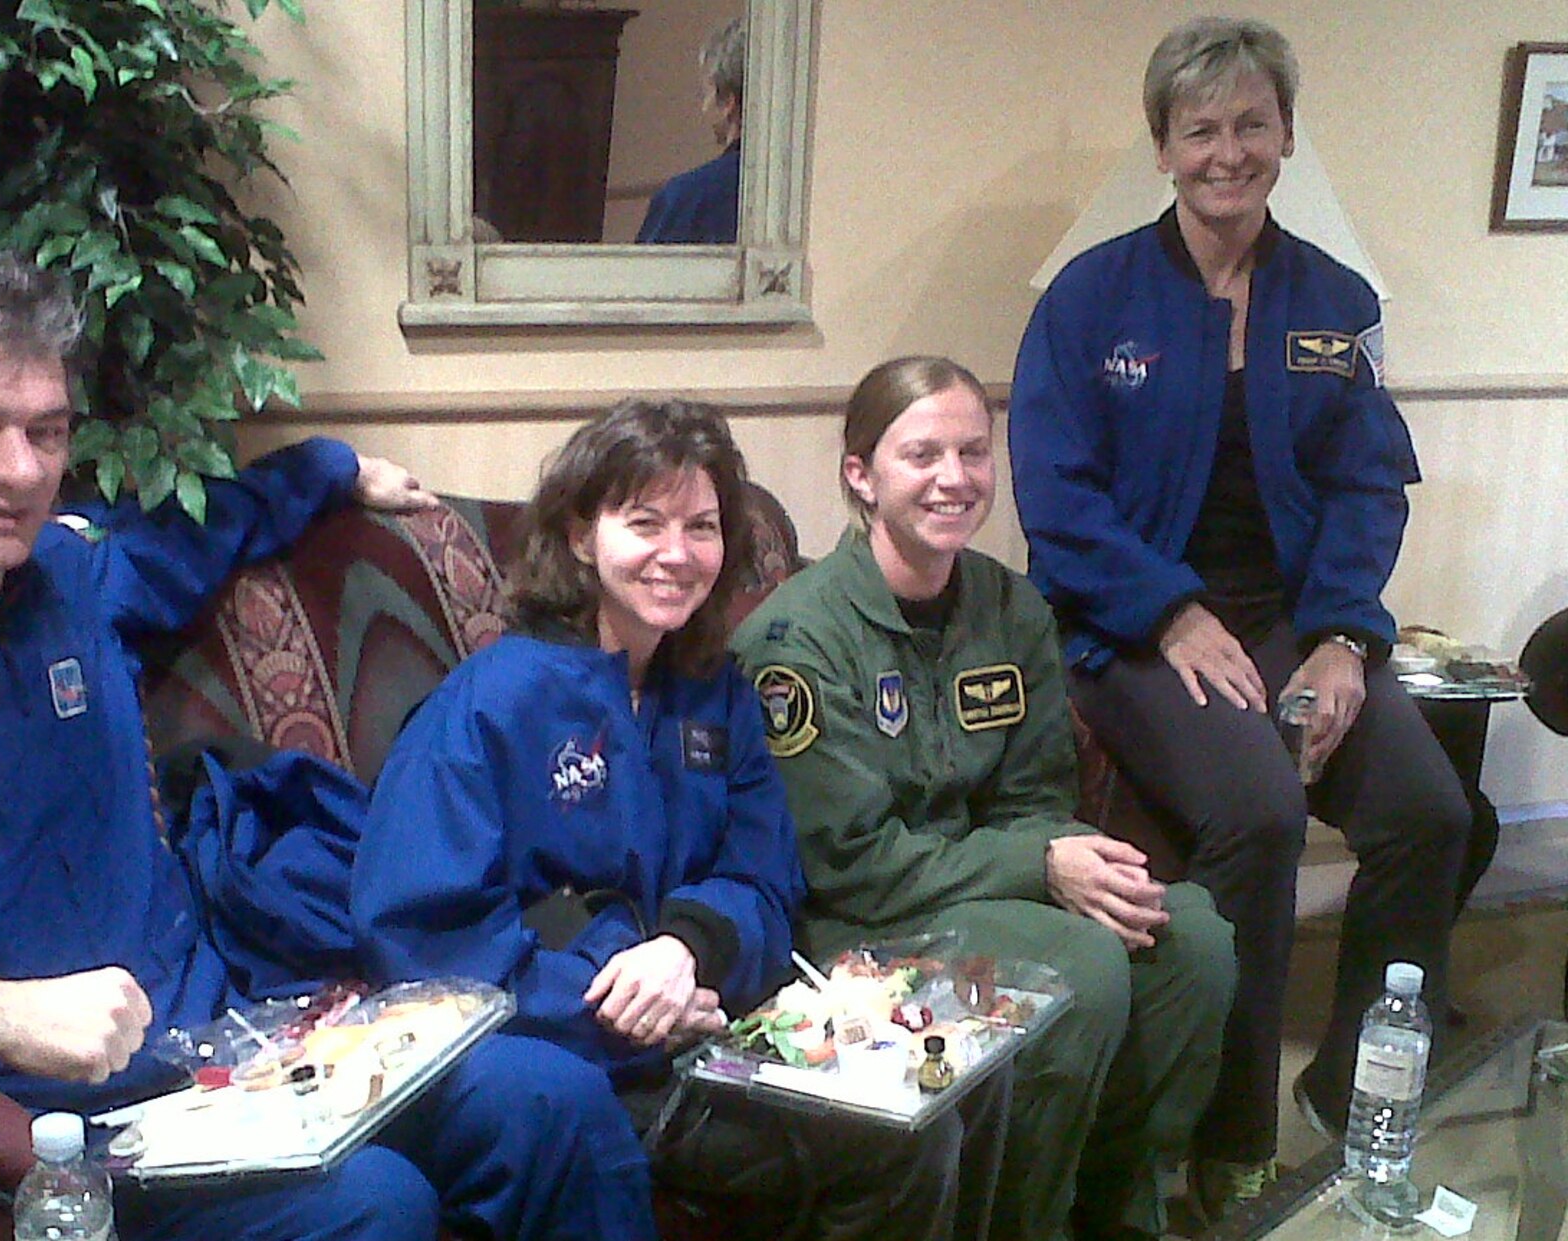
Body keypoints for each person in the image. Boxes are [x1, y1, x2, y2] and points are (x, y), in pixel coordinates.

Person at [0, 234, 630, 1241]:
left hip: (235, 1051)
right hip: (53, 1119)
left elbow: (189, 532)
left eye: (47, 431)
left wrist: (326, 466)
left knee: (553, 1097)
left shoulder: (71, 575)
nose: (21, 469)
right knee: (371, 1203)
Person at [1005, 15, 1471, 1221]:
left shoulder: (1335, 297)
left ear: (1284, 135)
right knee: (1260, 811)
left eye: (1249, 124)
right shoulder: (1086, 296)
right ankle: (1231, 1128)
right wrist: (1167, 617)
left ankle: (1347, 1085)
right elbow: (1054, 504)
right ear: (1160, 146)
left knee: (1427, 809)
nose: (1226, 151)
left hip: (1295, 622)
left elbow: (1368, 485)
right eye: (1198, 128)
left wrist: (1342, 640)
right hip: (1131, 630)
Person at [354, 398, 1010, 1241]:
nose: (677, 553)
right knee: (888, 1147)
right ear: (584, 537)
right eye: (645, 522)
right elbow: (424, 938)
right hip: (572, 1047)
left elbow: (766, 876)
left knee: (935, 1102)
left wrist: (689, 949)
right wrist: (628, 998)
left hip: (716, 1022)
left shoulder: (718, 694)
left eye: (702, 526)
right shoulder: (491, 703)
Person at [732, 357, 1236, 1241]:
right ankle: (1017, 1220)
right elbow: (850, 862)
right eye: (921, 453)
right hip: (855, 926)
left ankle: (1115, 1205)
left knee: (1192, 938)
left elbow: (1038, 794)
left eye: (973, 452)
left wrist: (1072, 866)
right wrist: (1041, 868)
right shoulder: (795, 640)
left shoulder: (1010, 607)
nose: (953, 478)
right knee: (1078, 970)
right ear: (862, 474)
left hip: (983, 888)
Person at [635, 16, 743, 245]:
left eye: (706, 94)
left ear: (727, 103)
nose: (704, 107)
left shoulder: (686, 197)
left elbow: (641, 277)